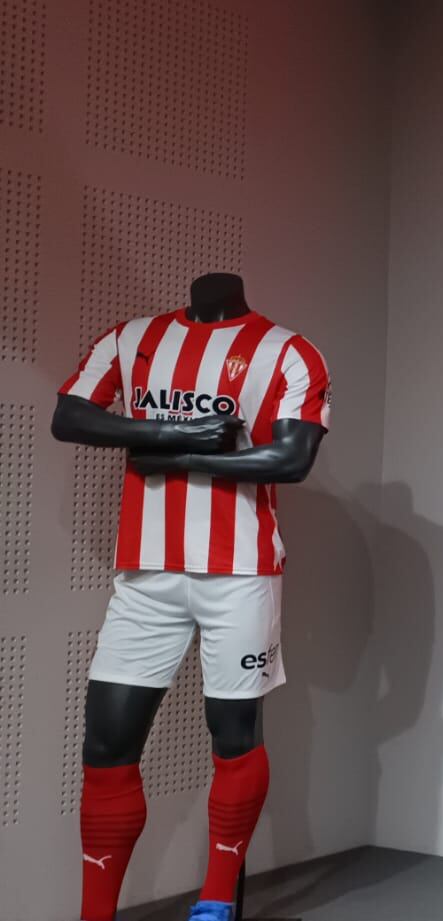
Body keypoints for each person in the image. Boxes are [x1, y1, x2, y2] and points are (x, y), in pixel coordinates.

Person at [50, 272, 331, 921]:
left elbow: (291, 458)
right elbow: (70, 414)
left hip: (241, 573)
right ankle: (96, 912)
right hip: (147, 573)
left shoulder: (289, 350)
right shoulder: (134, 338)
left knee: (233, 734)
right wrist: (168, 436)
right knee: (105, 744)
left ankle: (214, 898)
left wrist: (179, 458)